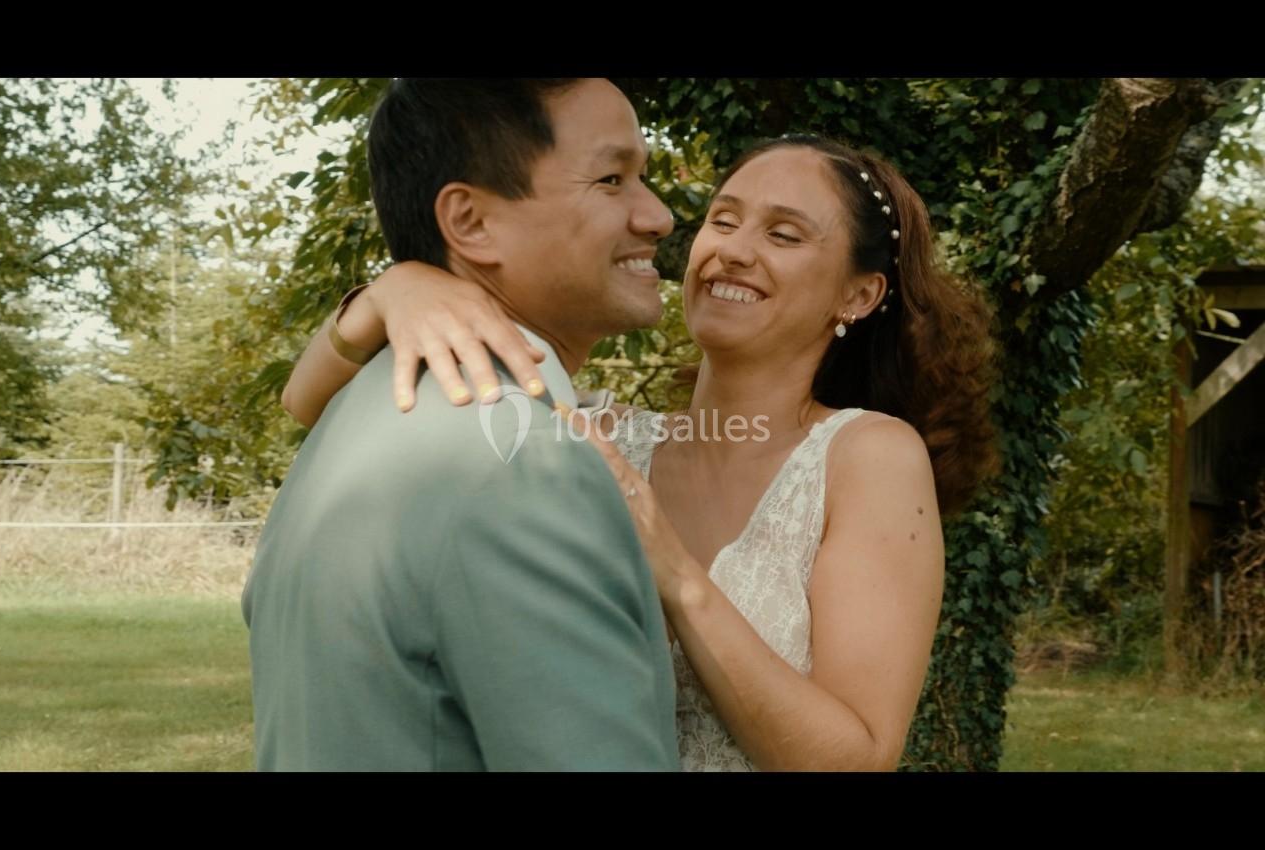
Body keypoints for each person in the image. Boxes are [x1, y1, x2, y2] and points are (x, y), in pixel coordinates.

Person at [286, 123, 1000, 770]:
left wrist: (678, 576)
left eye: (784, 235)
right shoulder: (599, 435)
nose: (732, 251)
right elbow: (310, 404)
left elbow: (858, 759)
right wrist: (393, 293)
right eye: (723, 219)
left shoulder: (868, 456)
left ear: (860, 295)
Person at [242, 78, 681, 771]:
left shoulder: (351, 423)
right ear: (472, 223)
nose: (658, 216)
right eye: (611, 179)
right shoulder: (523, 462)